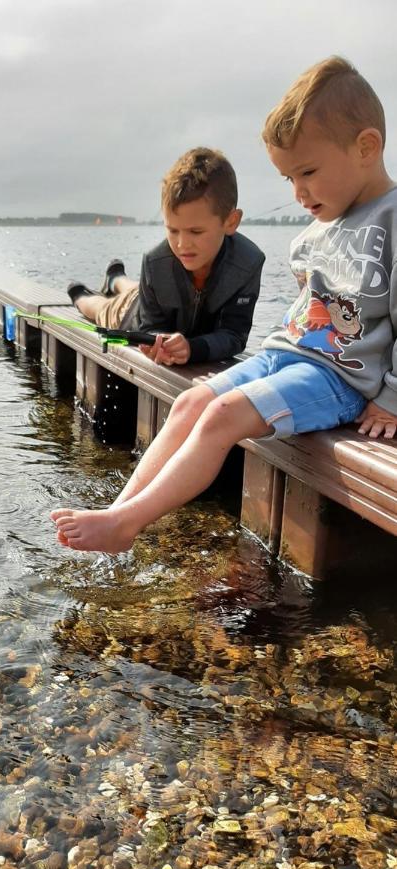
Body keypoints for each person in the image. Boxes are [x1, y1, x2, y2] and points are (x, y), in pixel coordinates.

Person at [51, 56, 397, 553]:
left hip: (337, 377)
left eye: (308, 172)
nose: (298, 192)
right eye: (288, 180)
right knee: (193, 401)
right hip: (284, 355)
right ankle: (117, 513)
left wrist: (391, 398)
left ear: (366, 147)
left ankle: (129, 523)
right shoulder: (322, 225)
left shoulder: (391, 220)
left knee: (221, 416)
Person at [67, 147, 265, 366]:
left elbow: (235, 335)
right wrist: (158, 341)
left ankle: (116, 279)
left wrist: (193, 348)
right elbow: (149, 327)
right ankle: (81, 295)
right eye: (172, 230)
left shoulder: (249, 263)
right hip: (132, 312)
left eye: (196, 232)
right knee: (104, 309)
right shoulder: (154, 262)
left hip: (149, 296)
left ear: (230, 222)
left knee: (135, 290)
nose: (181, 244)